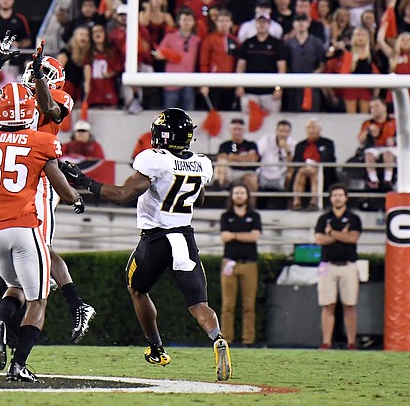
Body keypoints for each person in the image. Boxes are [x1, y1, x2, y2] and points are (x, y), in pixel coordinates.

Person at [60, 108, 232, 381]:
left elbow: (122, 195)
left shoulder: (155, 160)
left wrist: (83, 180)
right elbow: (197, 199)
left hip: (156, 238)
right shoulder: (202, 163)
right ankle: (217, 338)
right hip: (184, 237)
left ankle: (156, 347)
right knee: (199, 303)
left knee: (137, 290)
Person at [0, 82, 84, 382]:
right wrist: (77, 200)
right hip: (25, 228)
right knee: (38, 301)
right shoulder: (39, 141)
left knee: (16, 288)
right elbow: (63, 188)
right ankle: (19, 364)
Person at [0, 36, 97, 343]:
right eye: (31, 73)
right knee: (13, 256)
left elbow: (51, 108)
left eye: (39, 74)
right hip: (12, 177)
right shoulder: (18, 98)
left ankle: (76, 304)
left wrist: (41, 76)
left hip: (41, 176)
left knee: (39, 247)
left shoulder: (54, 96)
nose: (31, 77)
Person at [314, 184, 362, 350]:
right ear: (331, 198)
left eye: (341, 195)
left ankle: (351, 342)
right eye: (335, 195)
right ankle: (326, 342)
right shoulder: (323, 218)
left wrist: (332, 233)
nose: (338, 198)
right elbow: (319, 239)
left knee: (349, 305)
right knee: (328, 305)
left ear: (346, 197)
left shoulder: (354, 218)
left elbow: (353, 238)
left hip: (348, 265)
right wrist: (343, 235)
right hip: (328, 265)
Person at [220, 184, 261, 347]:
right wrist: (245, 236)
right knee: (227, 305)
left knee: (249, 305)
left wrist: (234, 235)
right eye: (236, 192)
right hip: (229, 263)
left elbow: (255, 236)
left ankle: (248, 340)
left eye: (242, 192)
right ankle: (226, 339)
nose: (239, 195)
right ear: (231, 196)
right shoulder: (226, 216)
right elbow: (224, 236)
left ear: (247, 196)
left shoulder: (254, 216)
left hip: (249, 264)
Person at [292, 119, 338, 211]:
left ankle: (314, 202)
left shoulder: (328, 143)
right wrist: (305, 167)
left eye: (313, 127)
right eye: (309, 128)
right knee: (301, 172)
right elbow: (296, 161)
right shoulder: (300, 145)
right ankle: (296, 202)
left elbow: (329, 159)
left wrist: (315, 166)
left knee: (313, 172)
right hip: (304, 170)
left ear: (320, 130)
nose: (311, 130)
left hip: (321, 170)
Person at [358, 97, 397, 190]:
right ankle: (373, 180)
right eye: (371, 107)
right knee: (369, 154)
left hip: (391, 148)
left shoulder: (394, 122)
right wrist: (368, 131)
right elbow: (360, 140)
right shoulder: (368, 123)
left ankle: (388, 179)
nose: (374, 109)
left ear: (384, 107)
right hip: (375, 148)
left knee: (388, 153)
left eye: (377, 106)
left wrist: (394, 140)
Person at [214, 118, 259, 195]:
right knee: (221, 164)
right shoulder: (224, 145)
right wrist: (244, 159)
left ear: (243, 130)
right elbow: (222, 158)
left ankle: (251, 206)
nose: (237, 132)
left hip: (246, 172)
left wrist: (233, 157)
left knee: (252, 180)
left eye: (239, 129)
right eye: (234, 129)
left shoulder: (251, 144)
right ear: (230, 130)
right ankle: (219, 190)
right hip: (230, 172)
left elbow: (253, 158)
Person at [256, 119, 295, 192]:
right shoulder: (266, 140)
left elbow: (291, 166)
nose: (283, 134)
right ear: (276, 131)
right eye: (281, 131)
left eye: (286, 132)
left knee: (292, 176)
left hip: (282, 176)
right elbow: (257, 155)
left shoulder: (292, 143)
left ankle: (290, 202)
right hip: (265, 173)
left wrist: (288, 151)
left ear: (289, 133)